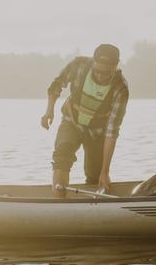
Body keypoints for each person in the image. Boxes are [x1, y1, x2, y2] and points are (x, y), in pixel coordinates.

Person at [41, 44, 129, 196]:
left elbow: (112, 132)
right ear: (93, 62)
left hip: (98, 132)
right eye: (98, 71)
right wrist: (49, 111)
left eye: (106, 73)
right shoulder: (79, 65)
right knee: (62, 155)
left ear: (115, 67)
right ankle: (58, 206)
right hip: (71, 123)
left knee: (96, 176)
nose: (101, 76)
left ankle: (93, 209)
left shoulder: (120, 89)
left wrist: (105, 171)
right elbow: (56, 85)